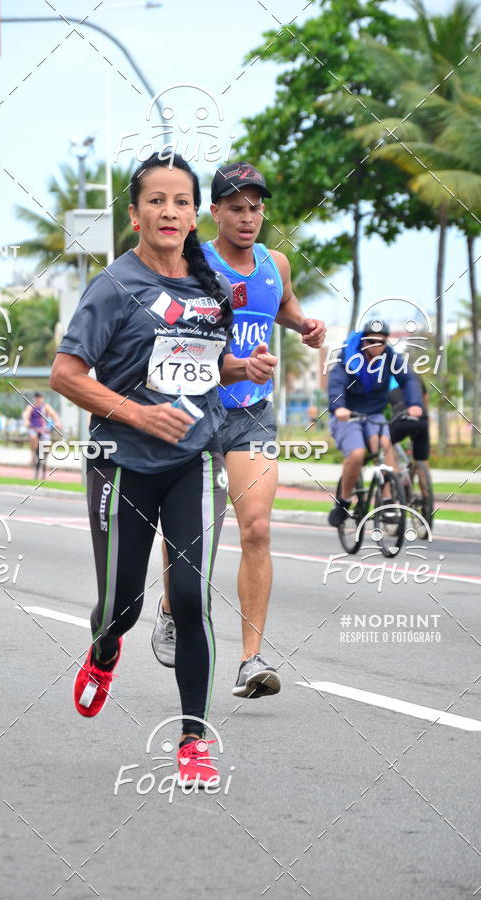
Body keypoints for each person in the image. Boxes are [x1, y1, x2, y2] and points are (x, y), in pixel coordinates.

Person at [50, 152, 277, 787]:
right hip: (121, 463)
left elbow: (200, 365)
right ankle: (106, 646)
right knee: (119, 606)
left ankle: (193, 739)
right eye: (157, 201)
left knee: (188, 597)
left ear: (193, 213)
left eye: (181, 201)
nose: (169, 211)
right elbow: (66, 376)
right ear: (135, 214)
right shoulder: (113, 286)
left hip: (191, 461)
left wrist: (242, 368)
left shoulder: (208, 284)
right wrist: (139, 416)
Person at [152, 161, 326, 700]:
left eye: (255, 207)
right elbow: (170, 330)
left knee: (257, 529)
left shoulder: (276, 263)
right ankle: (169, 607)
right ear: (214, 213)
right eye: (236, 208)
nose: (248, 218)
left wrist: (305, 325)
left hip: (252, 413)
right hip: (197, 408)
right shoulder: (190, 261)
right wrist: (227, 361)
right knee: (195, 537)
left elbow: (283, 304)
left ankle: (251, 660)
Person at [327, 320, 423, 526]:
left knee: (384, 446)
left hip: (374, 415)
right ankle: (343, 502)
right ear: (363, 341)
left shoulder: (390, 358)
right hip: (348, 416)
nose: (376, 346)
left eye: (381, 342)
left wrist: (414, 404)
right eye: (371, 341)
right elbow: (336, 384)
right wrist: (340, 407)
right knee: (357, 454)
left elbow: (408, 379)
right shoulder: (348, 359)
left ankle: (387, 503)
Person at [388, 374, 430, 461]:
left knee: (386, 443)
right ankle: (423, 472)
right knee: (422, 458)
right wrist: (425, 413)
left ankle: (394, 470)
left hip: (400, 419)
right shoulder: (415, 376)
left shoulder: (385, 378)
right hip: (421, 419)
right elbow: (425, 396)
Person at [23, 392, 61, 466]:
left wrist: (57, 422)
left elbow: (53, 414)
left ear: (42, 398)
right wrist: (26, 421)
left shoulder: (46, 406)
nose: (38, 399)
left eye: (40, 397)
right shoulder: (31, 406)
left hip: (43, 428)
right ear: (35, 398)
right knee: (33, 438)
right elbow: (26, 414)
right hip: (33, 428)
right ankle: (33, 457)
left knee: (47, 443)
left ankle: (45, 459)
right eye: (37, 398)